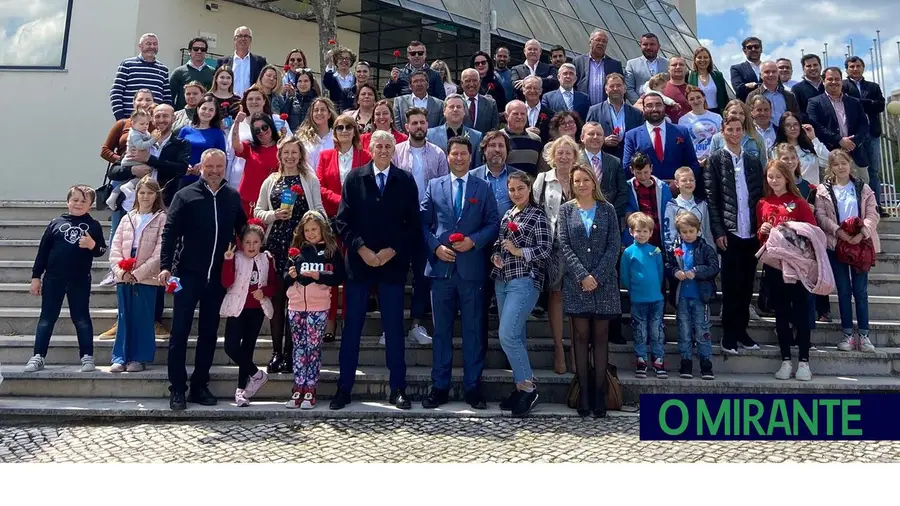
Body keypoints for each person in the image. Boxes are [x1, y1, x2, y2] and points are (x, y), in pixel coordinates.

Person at [330, 131, 420, 411]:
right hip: (359, 264)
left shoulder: (405, 180)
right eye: (378, 146)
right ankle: (343, 388)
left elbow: (412, 224)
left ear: (395, 150)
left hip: (392, 265)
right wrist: (362, 249)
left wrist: (391, 250)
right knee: (352, 328)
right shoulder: (355, 178)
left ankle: (398, 389)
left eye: (388, 146)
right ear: (369, 149)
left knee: (394, 329)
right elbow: (342, 222)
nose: (383, 150)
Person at [158, 148, 247, 411]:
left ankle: (199, 385)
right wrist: (165, 267)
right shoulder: (185, 195)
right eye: (210, 167)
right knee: (180, 334)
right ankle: (177, 389)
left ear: (225, 167)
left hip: (217, 279)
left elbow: (243, 228)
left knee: (208, 334)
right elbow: (170, 233)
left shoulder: (232, 196)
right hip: (187, 275)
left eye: (220, 167)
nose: (215, 171)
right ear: (201, 167)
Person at [420, 136, 500, 409]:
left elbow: (493, 223)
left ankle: (472, 387)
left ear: (471, 156)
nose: (459, 158)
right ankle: (439, 386)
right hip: (441, 270)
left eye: (463, 154)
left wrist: (474, 241)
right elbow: (423, 224)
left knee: (473, 331)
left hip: (472, 269)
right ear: (448, 156)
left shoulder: (483, 187)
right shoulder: (434, 186)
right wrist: (435, 248)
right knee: (441, 331)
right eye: (454, 154)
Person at [255, 137, 326, 368]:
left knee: (294, 301)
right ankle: (276, 352)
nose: (290, 157)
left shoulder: (309, 179)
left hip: (300, 248)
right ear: (280, 155)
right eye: (286, 152)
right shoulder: (270, 180)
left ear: (300, 155)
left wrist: (314, 221)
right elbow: (258, 211)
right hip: (275, 245)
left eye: (294, 152)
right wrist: (274, 215)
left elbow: (319, 209)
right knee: (277, 300)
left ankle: (290, 353)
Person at [557, 163, 620, 416]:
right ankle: (583, 393)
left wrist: (597, 276)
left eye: (585, 180)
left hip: (603, 284)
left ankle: (599, 395)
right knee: (581, 339)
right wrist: (583, 275)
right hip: (576, 283)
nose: (581, 185)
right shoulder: (565, 211)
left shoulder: (607, 210)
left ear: (594, 182)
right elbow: (564, 244)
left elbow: (614, 245)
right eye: (577, 181)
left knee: (601, 339)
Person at [24, 185, 107, 373]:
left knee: (81, 318)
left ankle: (87, 356)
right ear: (68, 202)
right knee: (47, 318)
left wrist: (92, 244)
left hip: (79, 279)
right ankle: (38, 355)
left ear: (90, 206)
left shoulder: (93, 226)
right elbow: (43, 252)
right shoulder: (55, 223)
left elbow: (101, 250)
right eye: (75, 200)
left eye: (83, 201)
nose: (78, 204)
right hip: (54, 278)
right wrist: (36, 276)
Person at [491, 170, 552, 417]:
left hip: (525, 280)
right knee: (515, 336)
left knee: (507, 335)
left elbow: (546, 249)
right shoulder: (508, 214)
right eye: (512, 189)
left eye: (520, 189)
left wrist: (519, 252)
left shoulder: (538, 216)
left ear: (529, 189)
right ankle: (520, 387)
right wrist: (496, 255)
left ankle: (528, 389)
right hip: (502, 279)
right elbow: (499, 242)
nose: (515, 193)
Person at [704, 116, 764, 354]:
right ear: (723, 131)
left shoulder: (752, 160)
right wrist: (718, 231)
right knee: (731, 286)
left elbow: (759, 195)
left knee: (747, 285)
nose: (735, 133)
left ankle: (742, 331)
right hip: (729, 233)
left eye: (739, 129)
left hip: (751, 232)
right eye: (730, 129)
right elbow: (712, 198)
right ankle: (728, 335)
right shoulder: (715, 160)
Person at [391, 107, 450, 345]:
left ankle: (416, 323)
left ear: (428, 125)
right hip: (399, 221)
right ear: (406, 127)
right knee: (394, 274)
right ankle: (392, 326)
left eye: (422, 122)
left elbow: (444, 186)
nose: (418, 127)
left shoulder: (437, 153)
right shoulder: (395, 152)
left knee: (421, 275)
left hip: (427, 221)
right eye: (414, 123)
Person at [757, 159, 819, 381]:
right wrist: (762, 230)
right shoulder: (763, 203)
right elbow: (761, 238)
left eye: (778, 177)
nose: (774, 181)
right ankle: (785, 360)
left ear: (787, 178)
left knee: (801, 312)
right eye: (770, 177)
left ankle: (804, 361)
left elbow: (813, 231)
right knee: (781, 313)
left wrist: (793, 230)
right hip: (775, 266)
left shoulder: (799, 202)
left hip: (798, 266)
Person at [815, 150, 880, 353]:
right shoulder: (823, 190)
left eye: (844, 163)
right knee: (843, 291)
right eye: (836, 164)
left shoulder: (862, 187)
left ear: (850, 164)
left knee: (860, 291)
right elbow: (821, 215)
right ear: (831, 168)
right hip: (837, 244)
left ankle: (864, 334)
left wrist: (862, 232)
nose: (841, 167)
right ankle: (847, 334)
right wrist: (838, 232)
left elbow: (872, 213)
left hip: (861, 244)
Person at [284, 211, 346, 409]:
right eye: (307, 230)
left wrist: (319, 276)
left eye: (314, 229)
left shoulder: (331, 251)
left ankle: (311, 387)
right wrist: (291, 275)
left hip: (319, 307)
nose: (310, 233)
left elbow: (338, 277)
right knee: (298, 348)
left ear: (322, 229)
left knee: (313, 348)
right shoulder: (297, 250)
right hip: (295, 306)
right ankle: (298, 387)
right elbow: (284, 276)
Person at [107, 177, 165, 373]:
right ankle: (120, 357)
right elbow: (115, 247)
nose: (145, 196)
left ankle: (139, 358)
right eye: (142, 192)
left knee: (143, 316)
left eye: (150, 193)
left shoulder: (161, 218)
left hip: (146, 273)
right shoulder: (127, 217)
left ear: (156, 195)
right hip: (125, 271)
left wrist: (140, 272)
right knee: (124, 316)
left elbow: (160, 250)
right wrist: (119, 270)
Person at [772, 142, 831, 323]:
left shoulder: (809, 187)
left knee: (807, 287)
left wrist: (811, 209)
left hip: (806, 244)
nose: (789, 162)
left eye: (792, 158)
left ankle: (811, 322)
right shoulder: (774, 186)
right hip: (785, 244)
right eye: (785, 159)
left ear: (798, 161)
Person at [220, 220, 276, 407]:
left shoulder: (266, 258)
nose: (251, 247)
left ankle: (241, 391)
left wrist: (265, 292)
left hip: (256, 310)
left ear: (261, 243)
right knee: (231, 346)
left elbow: (273, 285)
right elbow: (226, 282)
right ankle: (257, 374)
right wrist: (228, 261)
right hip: (238, 307)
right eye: (247, 242)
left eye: (255, 242)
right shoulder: (235, 257)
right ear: (241, 242)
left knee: (248, 349)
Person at [534, 136, 578, 374]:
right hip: (553, 246)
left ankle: (576, 349)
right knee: (557, 296)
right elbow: (536, 209)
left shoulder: (582, 177)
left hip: (581, 246)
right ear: (552, 156)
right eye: (559, 153)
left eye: (568, 153)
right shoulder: (543, 179)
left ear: (574, 156)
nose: (563, 157)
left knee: (577, 299)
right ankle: (559, 349)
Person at [664, 212, 718, 381]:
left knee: (702, 329)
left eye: (691, 231)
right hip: (682, 297)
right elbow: (667, 265)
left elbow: (714, 268)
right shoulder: (675, 248)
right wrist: (675, 272)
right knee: (684, 330)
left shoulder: (705, 248)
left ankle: (705, 362)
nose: (688, 235)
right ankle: (686, 360)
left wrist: (696, 272)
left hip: (700, 297)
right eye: (684, 231)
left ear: (698, 230)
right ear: (679, 232)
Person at [623, 92, 701, 194]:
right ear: (643, 108)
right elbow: (627, 167)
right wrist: (646, 182)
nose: (654, 109)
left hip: (678, 193)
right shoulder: (632, 135)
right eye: (649, 105)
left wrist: (681, 183)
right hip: (645, 193)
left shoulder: (682, 132)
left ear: (664, 107)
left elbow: (693, 163)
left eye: (658, 105)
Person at [620, 212, 665, 379]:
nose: (642, 234)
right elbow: (624, 276)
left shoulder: (656, 251)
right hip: (638, 299)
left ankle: (658, 360)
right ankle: (641, 360)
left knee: (656, 331)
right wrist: (634, 291)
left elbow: (660, 274)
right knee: (640, 331)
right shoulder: (628, 253)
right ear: (631, 232)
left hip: (656, 299)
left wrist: (656, 290)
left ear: (651, 233)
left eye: (645, 231)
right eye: (638, 231)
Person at [808, 67, 870, 181]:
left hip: (855, 155)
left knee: (862, 192)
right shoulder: (814, 103)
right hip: (829, 156)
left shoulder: (855, 102)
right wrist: (839, 140)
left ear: (841, 81)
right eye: (830, 79)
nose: (834, 82)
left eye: (837, 79)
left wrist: (852, 142)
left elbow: (864, 125)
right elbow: (816, 126)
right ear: (823, 81)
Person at [843, 56, 887, 215]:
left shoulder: (873, 86)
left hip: (873, 133)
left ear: (863, 67)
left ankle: (876, 206)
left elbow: (880, 105)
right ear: (847, 69)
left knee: (874, 170)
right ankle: (861, 205)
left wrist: (861, 102)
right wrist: (868, 103)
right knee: (857, 170)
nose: (855, 69)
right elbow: (847, 104)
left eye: (858, 66)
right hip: (854, 135)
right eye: (852, 66)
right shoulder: (843, 85)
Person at [226, 85, 289, 186]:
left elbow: (289, 145)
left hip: (271, 175)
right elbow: (231, 151)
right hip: (240, 176)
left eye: (258, 98)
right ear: (245, 102)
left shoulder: (277, 120)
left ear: (264, 101)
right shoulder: (239, 122)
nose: (254, 102)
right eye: (250, 99)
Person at [317, 115, 372, 217]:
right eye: (340, 127)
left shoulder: (366, 156)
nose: (344, 130)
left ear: (354, 132)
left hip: (359, 213)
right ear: (335, 133)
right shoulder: (325, 156)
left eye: (349, 127)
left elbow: (370, 184)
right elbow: (319, 186)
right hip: (332, 214)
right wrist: (340, 200)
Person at [106, 109, 158, 210]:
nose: (145, 126)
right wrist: (153, 140)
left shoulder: (143, 132)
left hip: (134, 160)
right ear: (133, 124)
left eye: (147, 124)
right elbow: (141, 146)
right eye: (142, 124)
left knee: (128, 181)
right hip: (131, 161)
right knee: (147, 174)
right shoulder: (134, 134)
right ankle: (127, 187)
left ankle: (113, 197)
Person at [110, 33, 171, 120]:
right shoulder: (127, 65)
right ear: (140, 46)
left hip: (154, 122)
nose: (152, 46)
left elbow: (167, 97)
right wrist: (121, 118)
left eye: (155, 44)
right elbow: (116, 92)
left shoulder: (163, 69)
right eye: (148, 44)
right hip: (130, 120)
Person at [232, 111, 281, 217]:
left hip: (268, 205)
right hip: (246, 202)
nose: (262, 132)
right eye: (257, 130)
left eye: (264, 127)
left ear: (271, 126)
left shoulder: (281, 148)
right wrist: (236, 123)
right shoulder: (250, 147)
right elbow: (236, 146)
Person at [580, 122, 629, 225]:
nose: (595, 137)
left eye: (599, 134)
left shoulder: (615, 162)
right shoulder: (574, 162)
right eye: (591, 134)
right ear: (582, 138)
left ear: (603, 138)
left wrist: (610, 215)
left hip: (610, 221)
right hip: (581, 219)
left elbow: (623, 192)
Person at [585, 73, 643, 160]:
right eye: (612, 86)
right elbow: (587, 137)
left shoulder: (636, 113)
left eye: (619, 85)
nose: (615, 89)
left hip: (630, 161)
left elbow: (640, 138)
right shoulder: (594, 111)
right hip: (604, 160)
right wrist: (603, 140)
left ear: (625, 88)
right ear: (606, 89)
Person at [178, 94, 227, 188]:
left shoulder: (217, 133)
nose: (207, 112)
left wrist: (203, 165)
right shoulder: (185, 130)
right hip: (184, 178)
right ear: (198, 109)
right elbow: (177, 153)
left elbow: (222, 158)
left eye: (211, 110)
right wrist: (184, 166)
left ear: (215, 113)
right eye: (204, 108)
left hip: (206, 180)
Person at [624, 152, 672, 248]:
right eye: (638, 173)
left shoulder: (663, 188)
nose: (643, 176)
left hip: (659, 237)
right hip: (637, 240)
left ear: (651, 168)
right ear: (631, 170)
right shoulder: (627, 188)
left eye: (646, 172)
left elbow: (669, 213)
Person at [664, 166, 714, 249]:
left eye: (691, 180)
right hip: (681, 252)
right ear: (677, 184)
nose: (688, 183)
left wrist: (712, 251)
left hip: (701, 251)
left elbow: (707, 231)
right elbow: (669, 233)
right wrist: (671, 253)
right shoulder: (672, 206)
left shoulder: (702, 205)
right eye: (684, 180)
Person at [426, 94, 483, 167]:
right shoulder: (430, 135)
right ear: (444, 111)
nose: (455, 109)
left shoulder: (476, 137)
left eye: (459, 107)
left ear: (464, 111)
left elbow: (477, 167)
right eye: (451, 107)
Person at [773, 111, 829, 184]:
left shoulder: (810, 148)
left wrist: (814, 138)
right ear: (783, 129)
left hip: (812, 192)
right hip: (789, 192)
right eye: (788, 125)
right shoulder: (776, 150)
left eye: (796, 124)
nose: (792, 128)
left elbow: (829, 160)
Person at [574, 29, 624, 106]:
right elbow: (573, 85)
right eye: (598, 40)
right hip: (583, 110)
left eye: (604, 41)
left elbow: (621, 89)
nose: (601, 43)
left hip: (607, 109)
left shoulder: (615, 65)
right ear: (590, 42)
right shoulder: (578, 61)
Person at [216, 26, 267, 98]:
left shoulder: (260, 62)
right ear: (234, 40)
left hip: (250, 103)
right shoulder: (222, 62)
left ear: (250, 40)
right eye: (239, 36)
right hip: (228, 102)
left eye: (246, 36)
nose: (243, 39)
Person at [747, 61, 801, 127]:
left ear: (778, 74)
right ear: (761, 75)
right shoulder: (752, 96)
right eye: (767, 72)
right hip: (762, 135)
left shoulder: (789, 96)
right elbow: (748, 118)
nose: (771, 74)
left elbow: (797, 117)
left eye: (774, 72)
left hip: (785, 135)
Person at [678, 87, 723, 164]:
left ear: (704, 98)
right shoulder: (683, 120)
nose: (696, 101)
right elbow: (683, 144)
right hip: (694, 160)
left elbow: (722, 140)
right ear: (688, 102)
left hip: (715, 160)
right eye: (691, 99)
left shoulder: (717, 117)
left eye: (698, 97)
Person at [170, 37, 214, 111]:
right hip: (183, 115)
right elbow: (170, 96)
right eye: (196, 49)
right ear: (190, 51)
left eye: (202, 49)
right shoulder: (178, 72)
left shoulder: (213, 72)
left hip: (206, 115)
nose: (199, 51)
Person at [502, 100, 545, 177]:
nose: (519, 117)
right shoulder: (499, 137)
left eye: (523, 114)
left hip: (530, 186)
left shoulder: (536, 139)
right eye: (515, 114)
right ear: (506, 116)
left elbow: (540, 168)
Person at [624, 33, 668, 104]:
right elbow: (628, 88)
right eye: (645, 44)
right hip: (640, 109)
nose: (648, 47)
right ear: (640, 46)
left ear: (659, 46)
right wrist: (641, 104)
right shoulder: (631, 64)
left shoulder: (668, 64)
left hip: (665, 106)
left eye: (652, 44)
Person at [297, 97, 338, 172]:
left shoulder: (337, 137)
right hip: (308, 181)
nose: (319, 113)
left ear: (329, 114)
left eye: (323, 110)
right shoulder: (302, 138)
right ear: (311, 114)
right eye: (316, 110)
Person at [687, 47, 729, 115]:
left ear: (710, 59)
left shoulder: (718, 75)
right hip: (697, 113)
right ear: (695, 60)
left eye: (706, 57)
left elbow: (724, 96)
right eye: (699, 57)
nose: (703, 60)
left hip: (717, 113)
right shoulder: (689, 75)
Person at [460, 67, 500, 134]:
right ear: (461, 84)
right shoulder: (454, 103)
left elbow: (494, 129)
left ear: (479, 82)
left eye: (475, 80)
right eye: (467, 81)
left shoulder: (490, 104)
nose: (471, 84)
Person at [322, 46, 360, 112]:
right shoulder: (332, 77)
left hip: (352, 113)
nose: (344, 60)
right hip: (336, 114)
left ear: (351, 62)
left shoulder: (356, 78)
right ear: (336, 61)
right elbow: (327, 83)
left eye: (347, 58)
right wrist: (330, 62)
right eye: (341, 58)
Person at [283, 68, 319, 132]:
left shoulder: (317, 102)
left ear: (311, 83)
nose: (303, 84)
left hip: (311, 137)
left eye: (306, 81)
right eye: (300, 81)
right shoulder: (291, 100)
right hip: (293, 139)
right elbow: (283, 120)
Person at [792, 54, 826, 122]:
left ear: (821, 66)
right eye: (809, 66)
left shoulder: (830, 85)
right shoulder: (797, 89)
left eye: (815, 65)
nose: (813, 68)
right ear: (803, 69)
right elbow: (797, 113)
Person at [730, 36, 763, 102]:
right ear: (744, 50)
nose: (753, 49)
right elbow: (739, 89)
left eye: (756, 46)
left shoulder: (770, 68)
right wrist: (763, 86)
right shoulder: (736, 69)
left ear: (761, 49)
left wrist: (751, 85)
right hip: (747, 108)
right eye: (749, 47)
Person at [663, 57, 691, 123]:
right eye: (674, 65)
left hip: (688, 130)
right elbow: (638, 105)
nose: (678, 67)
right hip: (667, 130)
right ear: (668, 69)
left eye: (681, 65)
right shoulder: (660, 88)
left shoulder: (693, 90)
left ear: (686, 68)